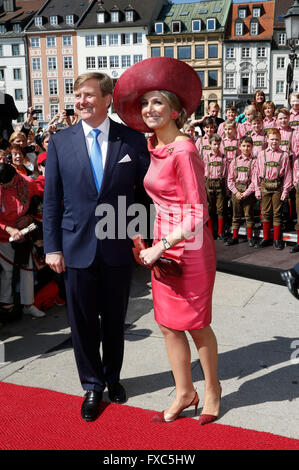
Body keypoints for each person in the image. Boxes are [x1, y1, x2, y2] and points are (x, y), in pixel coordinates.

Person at [113, 57, 220, 426]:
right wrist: (145, 234)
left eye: (158, 102)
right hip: (162, 246)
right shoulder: (152, 147)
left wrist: (161, 245)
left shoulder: (184, 151)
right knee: (168, 324)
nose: (150, 108)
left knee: (196, 323)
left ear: (175, 111)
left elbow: (196, 213)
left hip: (188, 250)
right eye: (145, 103)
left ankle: (211, 390)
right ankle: (184, 390)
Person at [43, 72, 150, 422]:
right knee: (83, 323)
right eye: (77, 95)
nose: (81, 101)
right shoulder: (60, 142)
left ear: (107, 100)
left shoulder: (132, 142)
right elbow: (51, 201)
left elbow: (145, 197)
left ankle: (113, 377)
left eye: (88, 94)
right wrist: (52, 248)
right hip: (75, 248)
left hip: (117, 248)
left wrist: (142, 238)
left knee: (115, 321)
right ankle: (92, 385)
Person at [0, 163, 45, 321]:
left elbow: (41, 202)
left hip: (26, 231)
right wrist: (9, 229)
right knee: (8, 272)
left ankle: (29, 304)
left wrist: (30, 218)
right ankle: (7, 305)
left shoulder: (26, 182)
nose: (6, 186)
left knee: (27, 269)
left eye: (8, 183)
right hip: (4, 235)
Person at [255, 128, 292, 250]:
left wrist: (285, 191)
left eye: (276, 139)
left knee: (277, 214)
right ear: (267, 139)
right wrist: (257, 189)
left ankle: (277, 239)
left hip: (277, 186)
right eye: (272, 139)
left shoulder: (284, 155)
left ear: (280, 139)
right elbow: (256, 173)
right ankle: (266, 238)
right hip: (265, 185)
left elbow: (287, 175)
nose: (274, 141)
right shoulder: (261, 154)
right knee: (265, 213)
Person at [226, 136, 257, 247]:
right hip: (237, 191)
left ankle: (250, 237)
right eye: (243, 146)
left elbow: (254, 180)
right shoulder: (234, 162)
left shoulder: (254, 162)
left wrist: (246, 193)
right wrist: (236, 192)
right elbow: (229, 180)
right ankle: (234, 236)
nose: (246, 148)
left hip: (248, 191)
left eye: (248, 146)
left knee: (249, 215)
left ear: (252, 147)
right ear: (239, 147)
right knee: (236, 215)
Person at [203, 134, 228, 239]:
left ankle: (220, 231)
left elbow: (226, 173)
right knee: (209, 208)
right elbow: (202, 172)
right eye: (214, 144)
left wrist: (226, 188)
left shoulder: (223, 157)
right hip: (208, 183)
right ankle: (210, 231)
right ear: (210, 145)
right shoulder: (206, 157)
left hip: (220, 183)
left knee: (220, 209)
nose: (216, 146)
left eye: (218, 144)